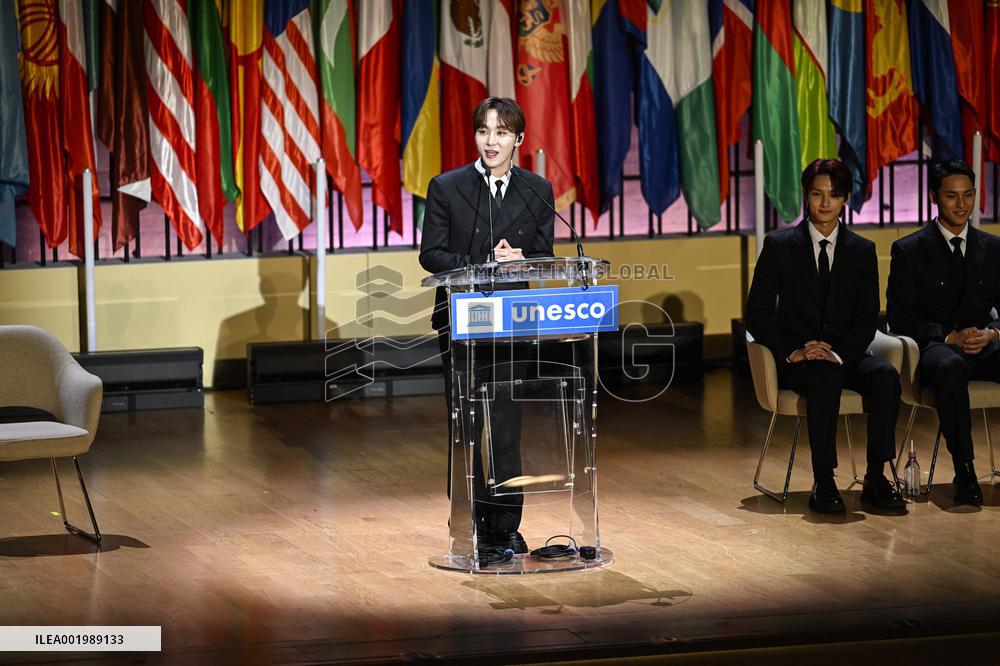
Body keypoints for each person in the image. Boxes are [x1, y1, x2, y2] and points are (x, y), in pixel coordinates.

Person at [419, 97, 555, 553]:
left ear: (518, 138)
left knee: (506, 425)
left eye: (500, 132)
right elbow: (431, 254)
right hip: (460, 323)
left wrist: (523, 260)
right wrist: (481, 263)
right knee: (466, 423)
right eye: (483, 131)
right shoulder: (447, 186)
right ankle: (469, 522)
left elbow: (543, 253)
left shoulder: (537, 189)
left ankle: (504, 526)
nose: (490, 140)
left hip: (510, 323)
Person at [746, 158, 904, 513]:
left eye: (833, 195)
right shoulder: (780, 245)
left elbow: (867, 319)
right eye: (817, 194)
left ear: (845, 198)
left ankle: (877, 476)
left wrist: (837, 352)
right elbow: (757, 315)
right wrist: (795, 351)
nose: (824, 203)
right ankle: (824, 480)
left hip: (842, 354)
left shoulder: (861, 251)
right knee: (825, 378)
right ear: (806, 196)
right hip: (796, 359)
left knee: (884, 375)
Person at [887, 159, 1000, 506]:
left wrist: (993, 333)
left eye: (968, 195)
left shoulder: (992, 247)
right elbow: (900, 317)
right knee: (950, 369)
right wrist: (950, 337)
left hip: (984, 344)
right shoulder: (909, 249)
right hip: (936, 347)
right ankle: (965, 469)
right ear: (935, 196)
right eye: (952, 196)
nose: (962, 204)